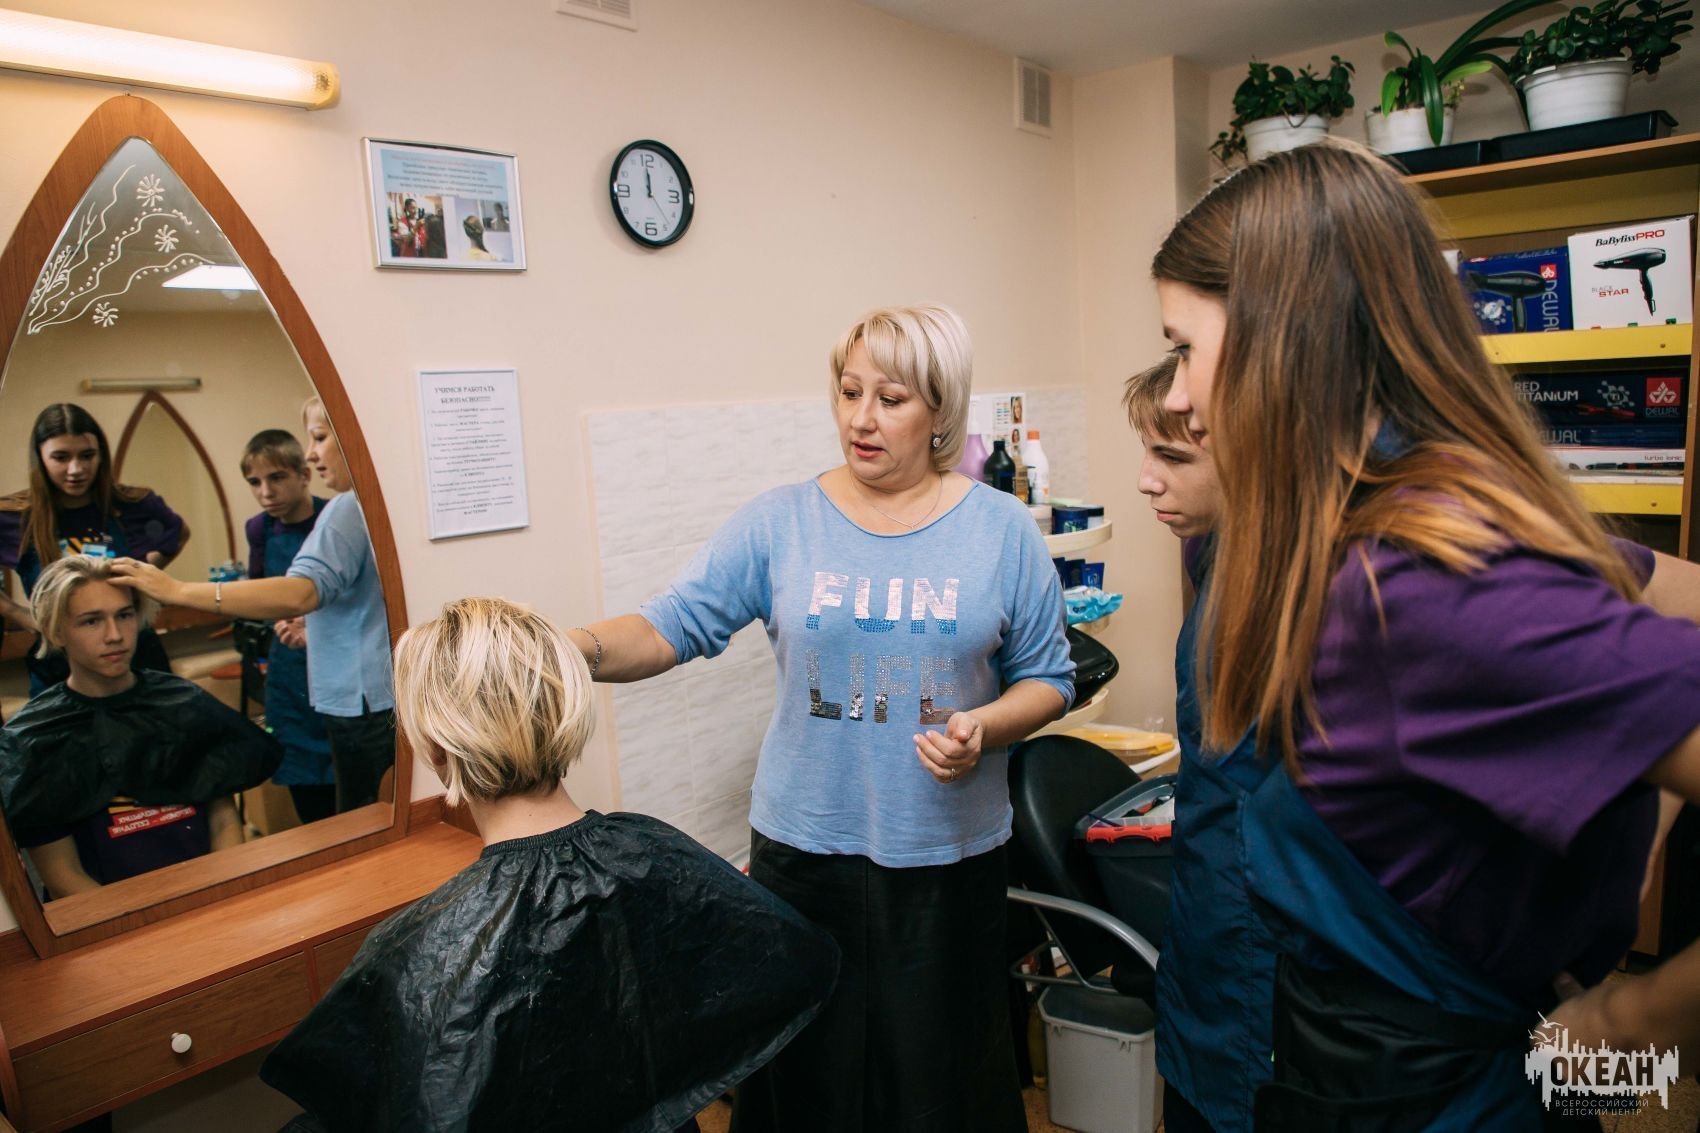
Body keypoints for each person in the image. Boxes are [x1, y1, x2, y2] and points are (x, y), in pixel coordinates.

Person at [1152, 140, 1700, 1128]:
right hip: (1321, 1060)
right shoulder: (1322, 524)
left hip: (1443, 1090)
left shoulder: (1416, 581)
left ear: (1286, 337)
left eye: (1183, 348)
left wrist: (1629, 1024)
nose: (1176, 396)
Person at [569, 304, 1074, 1132]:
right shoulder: (781, 522)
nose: (861, 418)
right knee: (804, 1086)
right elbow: (670, 625)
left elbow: (1048, 678)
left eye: (891, 399)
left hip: (946, 859)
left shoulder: (1000, 529)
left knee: (941, 1086)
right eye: (849, 392)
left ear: (940, 411)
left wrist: (986, 727)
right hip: (804, 857)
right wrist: (568, 649)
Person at [259, 596, 838, 1133]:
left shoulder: (416, 947)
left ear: (436, 750)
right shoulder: (651, 848)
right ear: (559, 710)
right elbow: (789, 959)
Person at [114, 397, 393, 814]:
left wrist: (176, 590)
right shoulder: (386, 501)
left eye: (318, 438)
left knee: (367, 819)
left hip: (363, 700)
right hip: (383, 691)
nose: (311, 454)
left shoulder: (347, 509)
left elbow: (301, 593)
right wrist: (314, 628)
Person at [1125, 355, 1275, 1133]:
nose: (1147, 481)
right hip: (1211, 894)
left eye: (1173, 457)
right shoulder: (1213, 550)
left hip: (1261, 916)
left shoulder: (1294, 583)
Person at [0, 556, 279, 898]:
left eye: (124, 615)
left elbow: (224, 823)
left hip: (211, 898)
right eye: (91, 621)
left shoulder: (183, 704)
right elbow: (63, 877)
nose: (115, 635)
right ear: (56, 630)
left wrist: (219, 899)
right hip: (108, 916)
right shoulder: (38, 737)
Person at [0, 403, 190, 695]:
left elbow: (177, 533)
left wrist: (141, 577)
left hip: (136, 658)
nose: (76, 469)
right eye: (61, 457)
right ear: (40, 457)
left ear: (101, 455)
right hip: (59, 667)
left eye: (87, 455)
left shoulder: (131, 505)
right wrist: (18, 613)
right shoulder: (16, 517)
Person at [241, 429, 335, 824]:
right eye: (255, 482)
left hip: (333, 659)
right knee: (306, 789)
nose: (266, 492)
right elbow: (260, 591)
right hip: (289, 671)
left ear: (304, 474)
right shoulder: (258, 530)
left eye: (277, 478)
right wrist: (281, 620)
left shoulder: (334, 519)